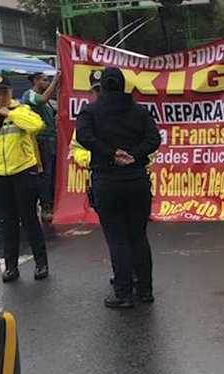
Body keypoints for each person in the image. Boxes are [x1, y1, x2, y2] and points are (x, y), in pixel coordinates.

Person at [76, 67, 161, 309]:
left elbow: (83, 136)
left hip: (107, 180)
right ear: (123, 85)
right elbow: (154, 139)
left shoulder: (90, 111)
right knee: (138, 236)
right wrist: (133, 155)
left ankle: (122, 292)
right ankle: (145, 290)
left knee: (117, 239)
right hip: (136, 179)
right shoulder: (140, 111)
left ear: (101, 86)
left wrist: (111, 154)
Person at [0, 73, 49, 282]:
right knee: (8, 221)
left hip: (23, 170)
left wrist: (10, 114)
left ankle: (41, 263)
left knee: (30, 218)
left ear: (11, 92)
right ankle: (11, 267)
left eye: (4, 92)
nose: (1, 96)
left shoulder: (22, 109)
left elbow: (37, 125)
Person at [22, 71, 61, 222]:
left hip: (51, 140)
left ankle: (51, 204)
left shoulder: (50, 103)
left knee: (51, 175)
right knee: (44, 175)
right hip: (40, 140)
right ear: (36, 81)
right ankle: (45, 207)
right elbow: (42, 99)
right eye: (45, 80)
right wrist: (56, 81)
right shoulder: (30, 95)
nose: (47, 83)